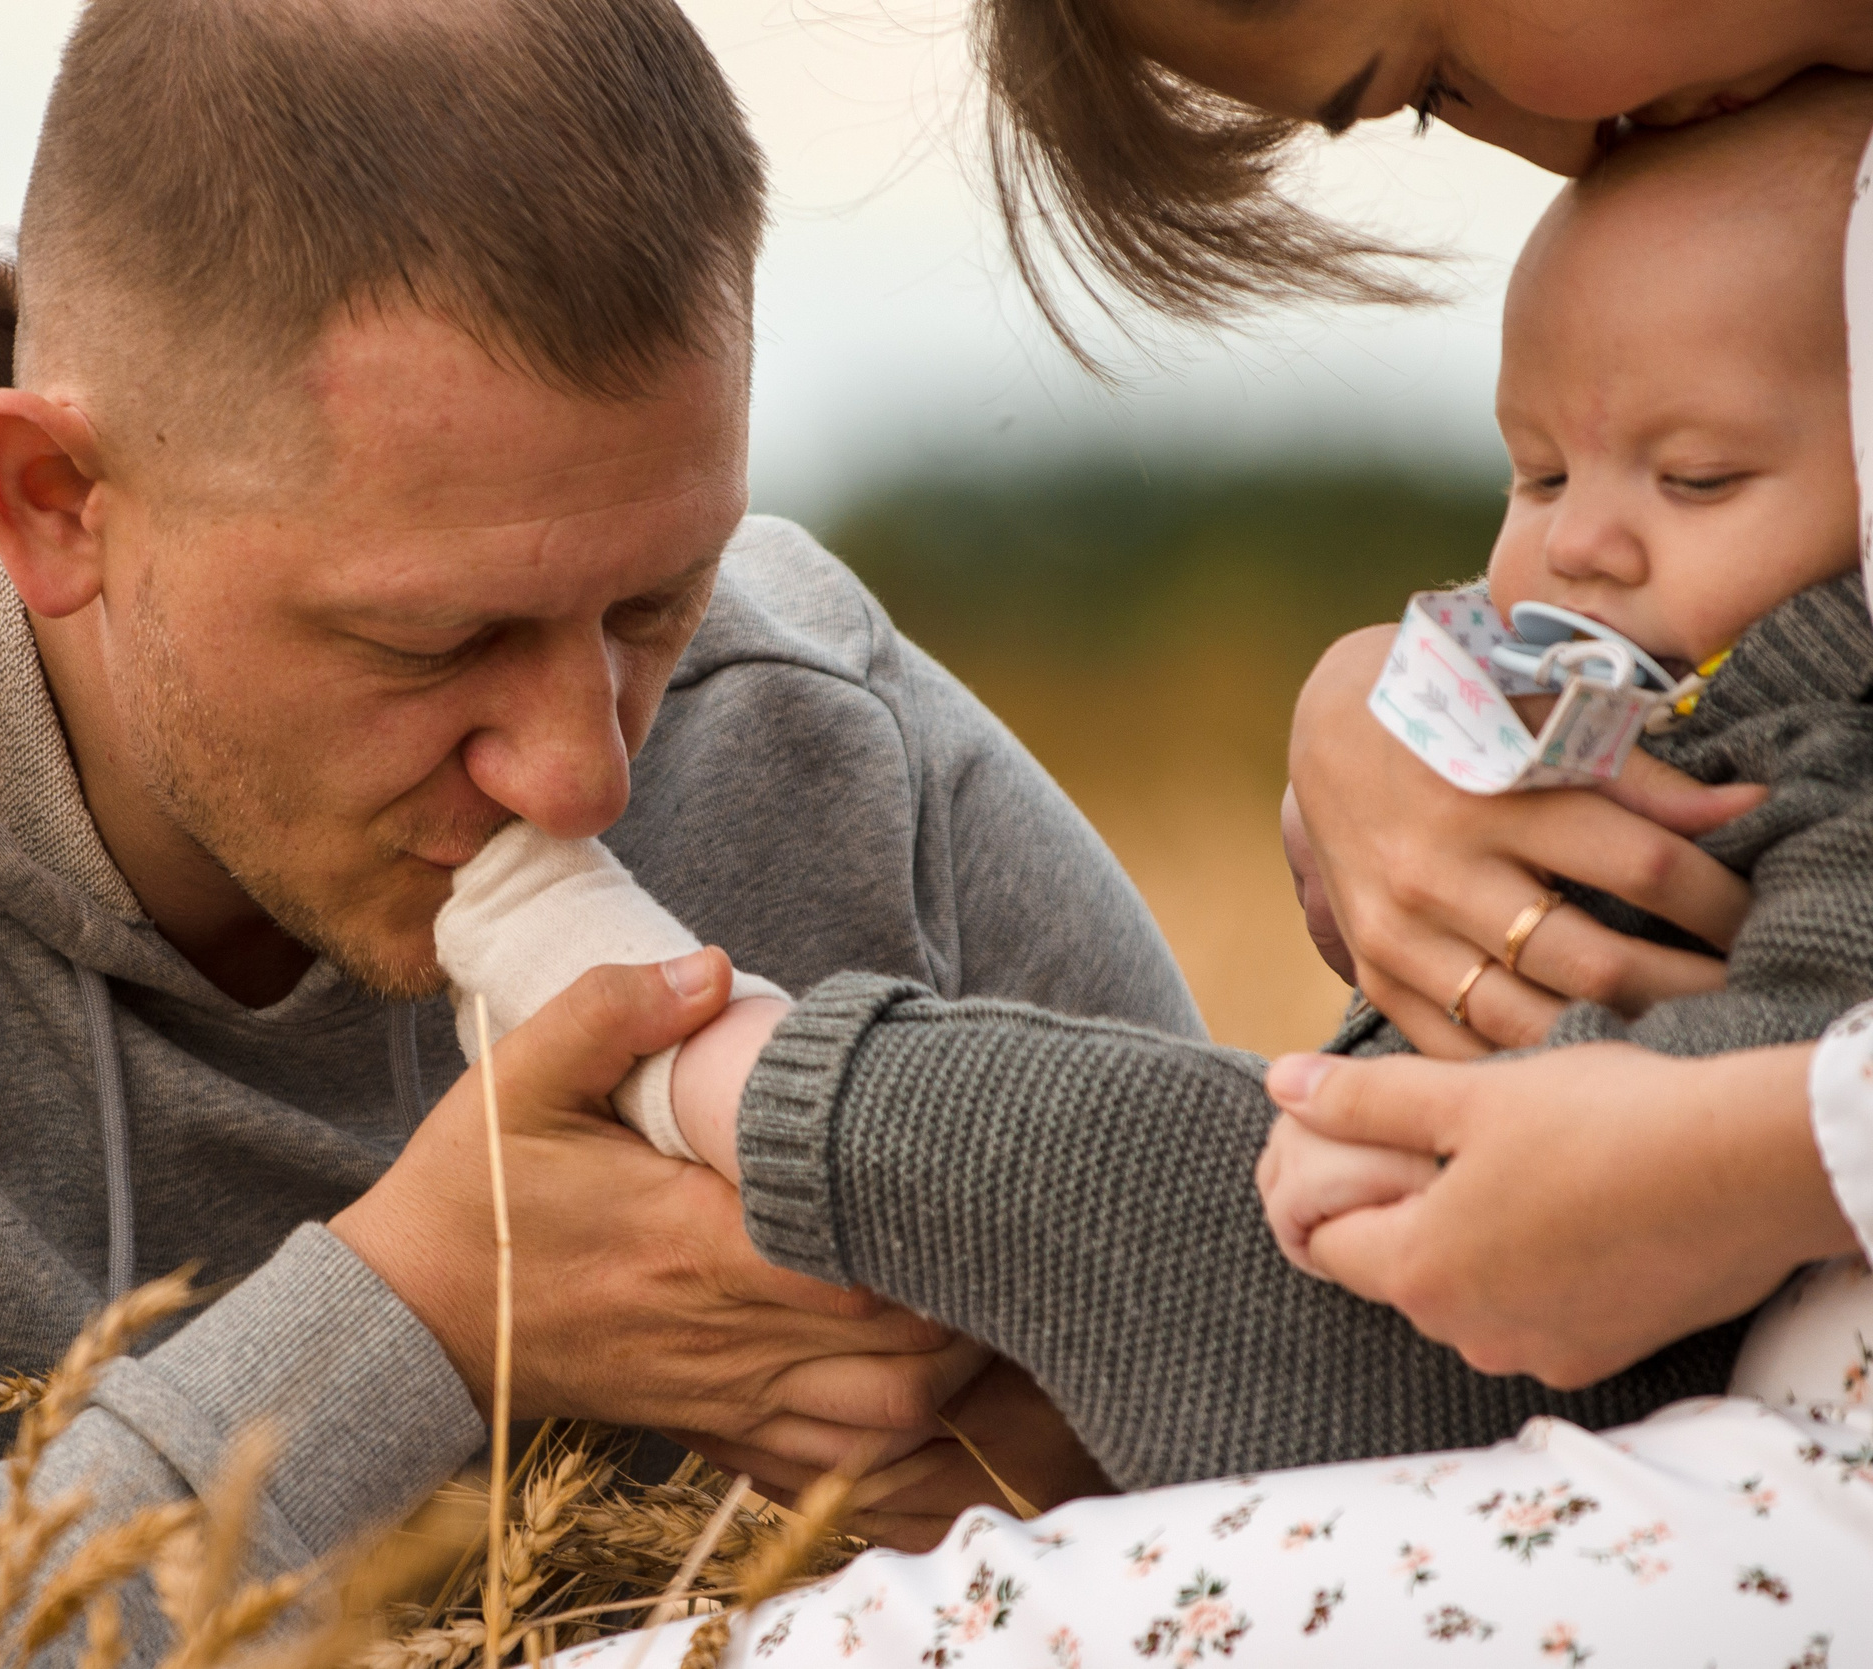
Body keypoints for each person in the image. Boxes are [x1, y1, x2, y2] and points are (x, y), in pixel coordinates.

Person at [0, 0, 1206, 1658]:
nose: (582, 772)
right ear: (52, 499)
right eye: (434, 638)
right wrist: (428, 1324)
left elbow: (1390, 1482)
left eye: (651, 602)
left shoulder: (824, 736)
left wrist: (1056, 1435)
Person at [502, 78, 1873, 1664]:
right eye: (1539, 475)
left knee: (1101, 1149)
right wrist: (1366, 704)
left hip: (1520, 1312)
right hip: (1452, 1312)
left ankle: (739, 1072)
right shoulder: (1662, 692)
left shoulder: (1824, 760)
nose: (1582, 548)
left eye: (1694, 479)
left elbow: (1797, 1023)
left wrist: (1486, 1148)